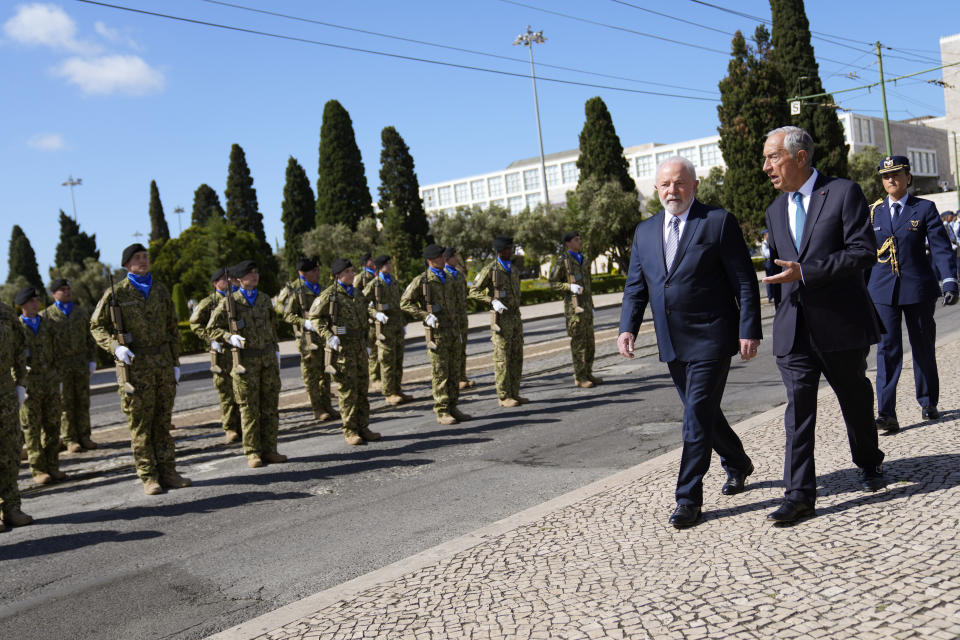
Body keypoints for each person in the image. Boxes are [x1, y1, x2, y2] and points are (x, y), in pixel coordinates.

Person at [617, 157, 761, 529]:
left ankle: (688, 498)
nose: (672, 191)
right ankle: (739, 463)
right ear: (656, 190)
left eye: (679, 184)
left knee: (694, 417)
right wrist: (627, 327)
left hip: (712, 336)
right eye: (665, 185)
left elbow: (744, 281)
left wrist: (749, 328)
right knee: (705, 415)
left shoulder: (716, 221)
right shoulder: (645, 231)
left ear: (694, 185)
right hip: (672, 341)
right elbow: (637, 286)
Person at [761, 126, 885, 524]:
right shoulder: (775, 210)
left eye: (773, 157)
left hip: (840, 324)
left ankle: (868, 460)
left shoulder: (843, 193)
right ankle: (798, 495)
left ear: (800, 157)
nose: (766, 167)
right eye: (765, 159)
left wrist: (807, 272)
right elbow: (778, 266)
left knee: (854, 399)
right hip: (793, 329)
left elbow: (864, 252)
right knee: (797, 412)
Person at [90, 243, 192, 495]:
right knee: (140, 425)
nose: (143, 261)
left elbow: (172, 329)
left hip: (162, 365)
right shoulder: (117, 293)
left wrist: (175, 362)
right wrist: (115, 348)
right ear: (126, 265)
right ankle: (149, 476)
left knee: (163, 423)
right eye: (137, 258)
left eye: (145, 256)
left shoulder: (159, 290)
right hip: (135, 367)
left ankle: (168, 471)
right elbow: (96, 326)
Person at [867, 155, 958, 432]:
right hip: (883, 291)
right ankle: (886, 412)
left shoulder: (925, 209)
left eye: (896, 174)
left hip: (918, 289)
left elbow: (941, 248)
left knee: (922, 347)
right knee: (887, 350)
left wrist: (950, 281)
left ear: (908, 177)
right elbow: (863, 253)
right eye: (886, 176)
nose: (891, 180)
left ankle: (928, 401)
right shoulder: (874, 212)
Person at [207, 260, 287, 468]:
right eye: (249, 274)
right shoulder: (230, 302)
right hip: (245, 361)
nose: (254, 276)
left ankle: (270, 449)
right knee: (249, 408)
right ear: (239, 279)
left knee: (270, 406)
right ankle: (252, 452)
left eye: (256, 272)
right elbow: (211, 329)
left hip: (267, 359)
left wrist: (275, 350)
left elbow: (272, 326)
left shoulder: (264, 299)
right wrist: (228, 337)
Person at [308, 258, 381, 446]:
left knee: (362, 389)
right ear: (339, 275)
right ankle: (350, 430)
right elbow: (315, 317)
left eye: (352, 270)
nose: (352, 274)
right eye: (349, 271)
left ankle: (363, 426)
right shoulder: (329, 295)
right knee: (347, 391)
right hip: (342, 350)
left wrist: (376, 314)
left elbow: (366, 308)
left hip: (359, 347)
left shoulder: (356, 292)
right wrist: (328, 335)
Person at [401, 244, 472, 425]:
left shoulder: (449, 278)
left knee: (454, 370)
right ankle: (442, 411)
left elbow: (458, 303)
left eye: (443, 256)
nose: (443, 259)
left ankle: (453, 406)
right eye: (440, 257)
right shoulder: (423, 281)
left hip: (453, 331)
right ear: (430, 260)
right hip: (437, 334)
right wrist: (425, 315)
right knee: (441, 373)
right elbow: (405, 303)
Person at [276, 257, 339, 422]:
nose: (317, 273)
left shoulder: (323, 289)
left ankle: (327, 405)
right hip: (308, 339)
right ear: (303, 273)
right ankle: (317, 408)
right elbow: (286, 314)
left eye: (318, 270)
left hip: (324, 336)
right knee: (312, 375)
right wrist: (304, 322)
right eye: (313, 271)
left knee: (326, 372)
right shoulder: (298, 292)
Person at [469, 236, 527, 407]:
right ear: (500, 251)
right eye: (508, 249)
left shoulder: (514, 270)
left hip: (516, 319)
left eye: (512, 248)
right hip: (501, 321)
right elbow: (473, 291)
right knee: (502, 359)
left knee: (517, 357)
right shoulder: (491, 270)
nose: (511, 252)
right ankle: (503, 396)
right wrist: (491, 301)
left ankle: (514, 392)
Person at [16, 287, 66, 485]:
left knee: (53, 425)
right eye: (31, 302)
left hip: (50, 382)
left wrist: (58, 377)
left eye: (37, 300)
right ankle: (38, 469)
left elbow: (57, 350)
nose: (35, 304)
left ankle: (53, 466)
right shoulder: (17, 328)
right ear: (22, 305)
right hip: (30, 385)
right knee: (32, 428)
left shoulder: (47, 324)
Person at [44, 278, 99, 452]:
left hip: (80, 363)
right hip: (60, 366)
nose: (67, 292)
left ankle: (85, 436)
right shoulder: (47, 316)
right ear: (54, 294)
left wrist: (92, 359)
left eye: (68, 289)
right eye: (62, 289)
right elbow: (44, 344)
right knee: (65, 404)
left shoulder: (81, 312)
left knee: (83, 401)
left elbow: (90, 338)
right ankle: (70, 439)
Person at [189, 268, 242, 443]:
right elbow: (195, 324)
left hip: (239, 351)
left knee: (242, 389)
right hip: (221, 353)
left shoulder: (237, 298)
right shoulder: (209, 302)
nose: (228, 281)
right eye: (223, 279)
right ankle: (230, 428)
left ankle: (244, 426)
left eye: (230, 278)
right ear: (215, 283)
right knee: (226, 392)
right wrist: (210, 339)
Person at [549, 231, 602, 388]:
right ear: (567, 243)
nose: (580, 241)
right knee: (579, 344)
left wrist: (591, 305)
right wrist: (569, 286)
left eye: (580, 238)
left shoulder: (583, 259)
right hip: (574, 310)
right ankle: (579, 377)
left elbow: (588, 285)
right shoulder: (562, 261)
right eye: (576, 239)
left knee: (590, 343)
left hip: (586, 307)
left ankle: (588, 372)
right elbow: (552, 283)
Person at [0, 299, 32, 531]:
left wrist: (20, 382)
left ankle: (11, 508)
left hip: (5, 391)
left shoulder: (4, 312)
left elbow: (20, 346)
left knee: (10, 451)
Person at [363, 255, 411, 405]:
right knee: (387, 361)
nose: (389, 266)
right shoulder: (375, 284)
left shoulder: (394, 282)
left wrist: (404, 321)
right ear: (379, 267)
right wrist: (375, 313)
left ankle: (397, 389)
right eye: (386, 264)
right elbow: (361, 303)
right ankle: (389, 393)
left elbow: (401, 303)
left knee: (398, 360)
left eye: (389, 263)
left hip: (397, 326)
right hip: (384, 329)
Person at [444, 247, 475, 390]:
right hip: (451, 319)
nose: (456, 259)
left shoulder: (459, 274)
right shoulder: (443, 275)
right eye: (454, 256)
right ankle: (454, 378)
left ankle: (462, 376)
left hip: (462, 317)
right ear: (447, 258)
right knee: (453, 350)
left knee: (462, 349)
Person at [356, 252, 381, 391]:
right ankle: (375, 377)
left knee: (380, 347)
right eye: (371, 259)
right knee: (373, 349)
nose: (374, 260)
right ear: (366, 263)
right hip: (369, 318)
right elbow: (355, 295)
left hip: (379, 316)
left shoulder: (377, 275)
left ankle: (381, 376)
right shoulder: (361, 277)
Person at [760, 228, 781, 308]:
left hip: (771, 262)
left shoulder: (768, 243)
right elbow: (767, 254)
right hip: (768, 262)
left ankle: (774, 294)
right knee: (769, 280)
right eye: (767, 234)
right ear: (765, 235)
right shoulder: (764, 244)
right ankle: (770, 296)